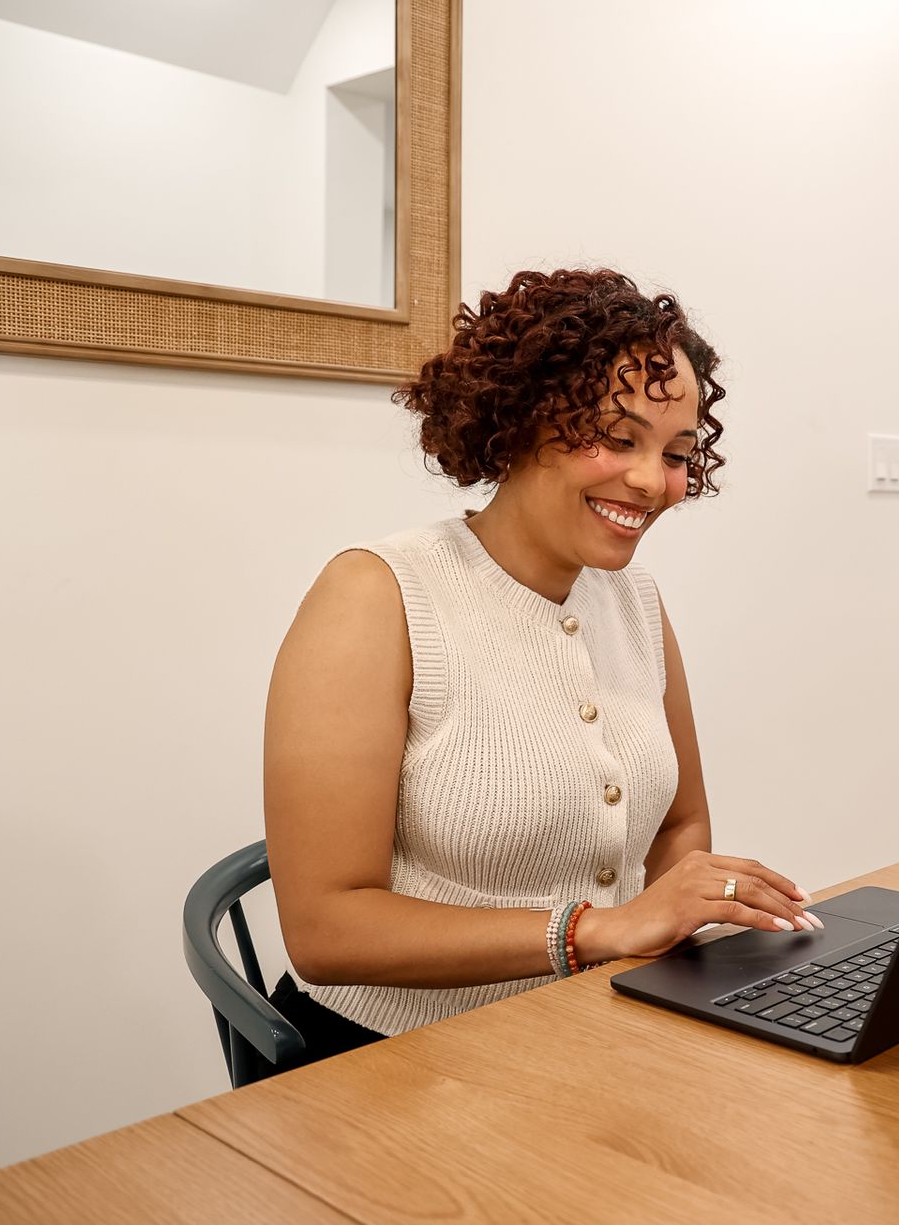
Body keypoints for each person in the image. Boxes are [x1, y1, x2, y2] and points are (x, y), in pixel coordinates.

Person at [262, 268, 815, 1065]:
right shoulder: (376, 595)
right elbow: (324, 930)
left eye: (676, 453)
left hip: (583, 1033)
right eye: (618, 439)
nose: (649, 481)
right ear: (520, 421)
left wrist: (681, 919)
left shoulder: (635, 601)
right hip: (385, 1058)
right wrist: (603, 930)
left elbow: (679, 823)